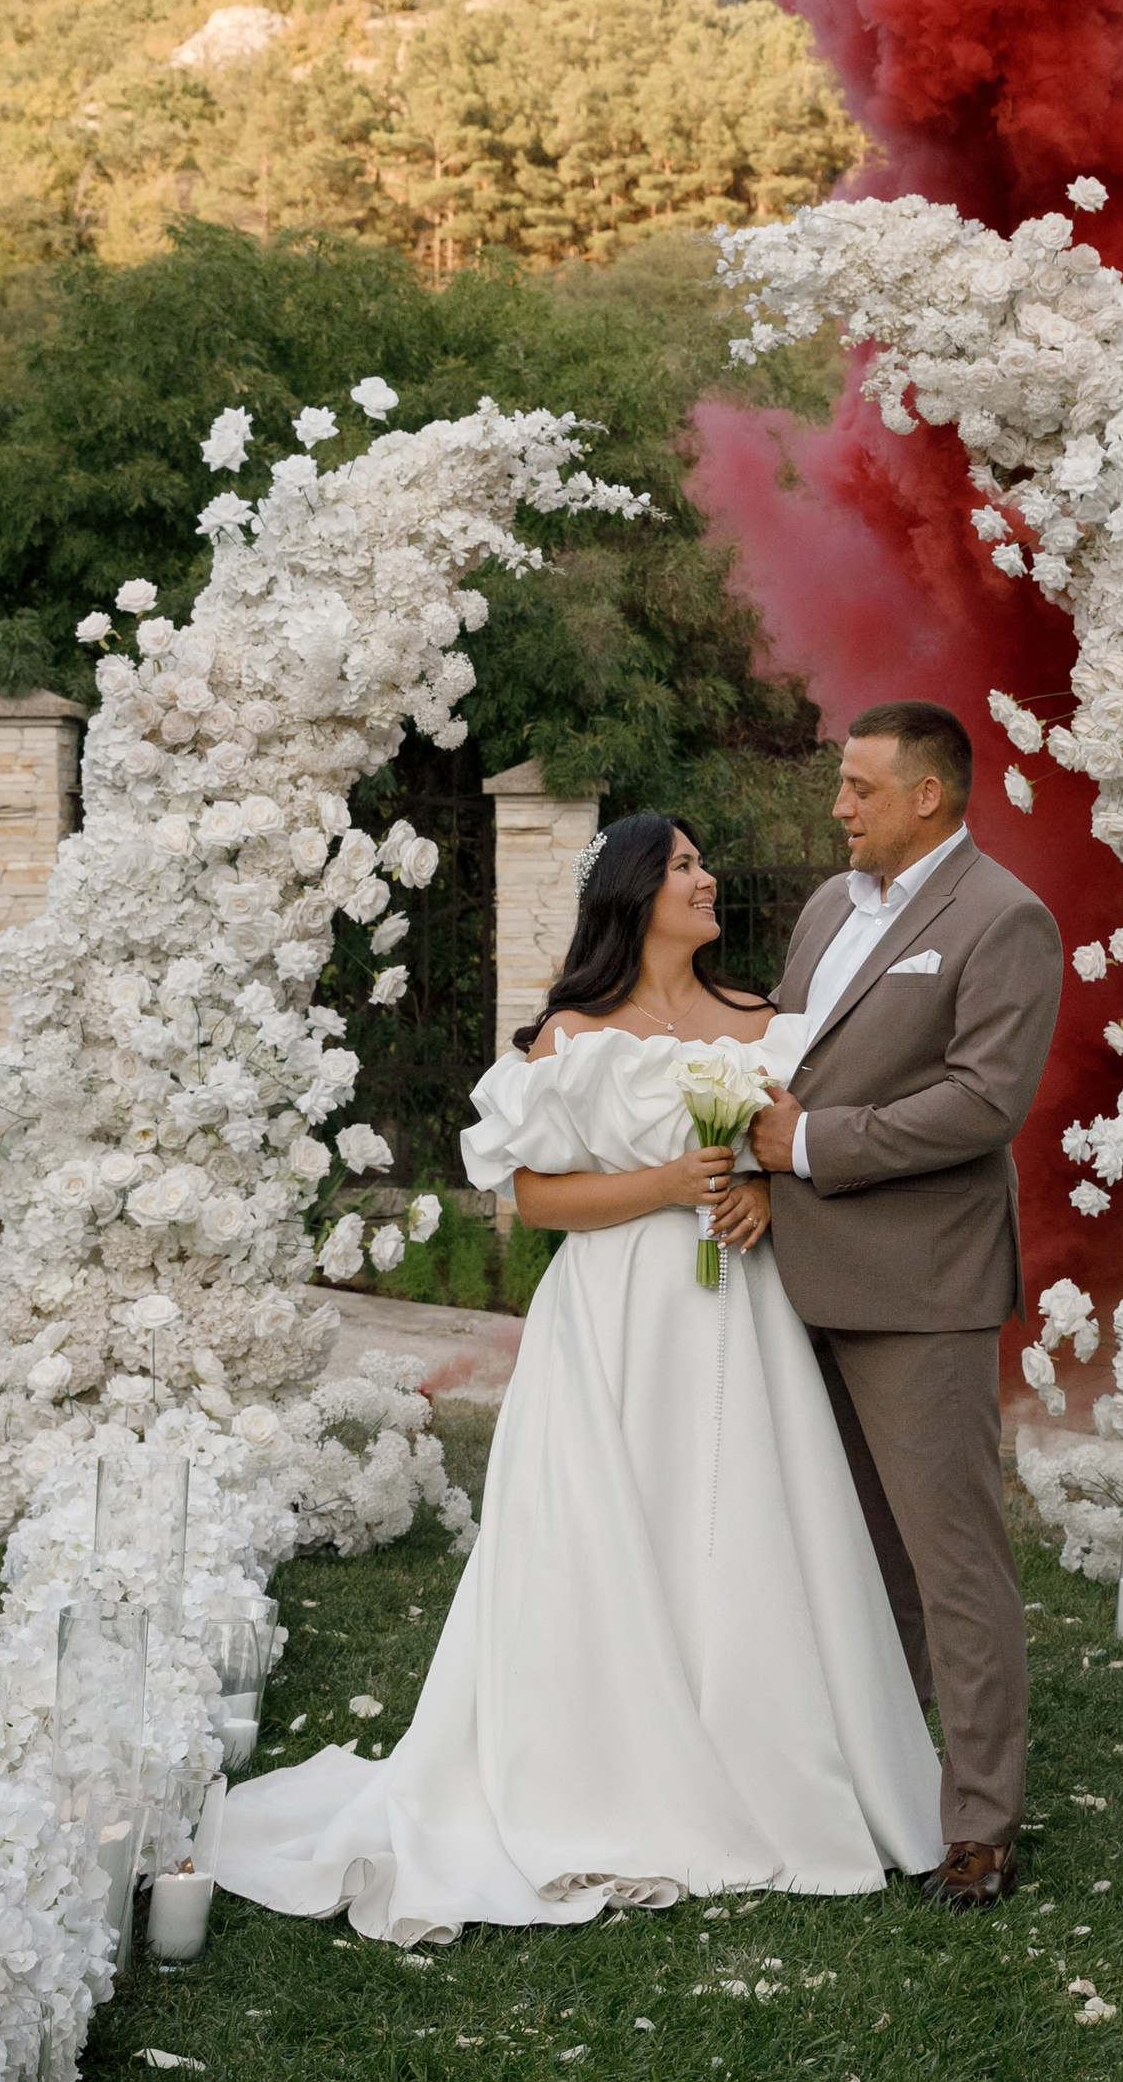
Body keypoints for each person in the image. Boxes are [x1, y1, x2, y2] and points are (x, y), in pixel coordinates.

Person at [210, 813, 944, 1939]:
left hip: (736, 1315)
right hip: (604, 1316)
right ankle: (597, 1770)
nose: (709, 878)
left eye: (706, 860)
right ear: (637, 892)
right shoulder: (566, 1035)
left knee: (738, 1522)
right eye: (688, 865)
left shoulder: (764, 1023)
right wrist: (665, 1183)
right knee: (597, 1532)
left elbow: (808, 1150)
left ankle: (768, 1759)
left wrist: (763, 1192)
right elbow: (539, 1202)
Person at [749, 701, 1063, 1908]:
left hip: (919, 1288)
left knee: (950, 1561)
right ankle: (866, 1774)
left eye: (858, 787)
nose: (838, 804)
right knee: (840, 1548)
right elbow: (784, 1048)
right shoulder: (829, 908)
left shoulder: (1003, 919)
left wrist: (810, 1143)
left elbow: (984, 1103)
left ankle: (979, 1822)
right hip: (793, 1272)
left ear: (927, 795)